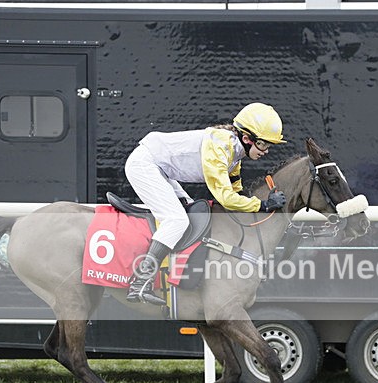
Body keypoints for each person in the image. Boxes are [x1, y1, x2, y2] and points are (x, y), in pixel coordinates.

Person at [123, 103, 288, 304]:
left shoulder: (235, 154)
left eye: (269, 146)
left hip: (160, 169)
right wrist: (263, 204)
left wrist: (261, 207)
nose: (266, 151)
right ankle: (140, 281)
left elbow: (237, 194)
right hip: (144, 165)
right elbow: (226, 198)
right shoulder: (220, 148)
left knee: (192, 215)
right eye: (263, 144)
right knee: (176, 220)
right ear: (246, 138)